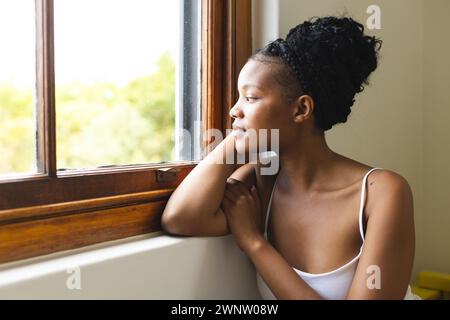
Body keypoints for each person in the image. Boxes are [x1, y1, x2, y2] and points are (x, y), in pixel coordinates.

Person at [161, 16, 418, 300]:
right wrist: (233, 144)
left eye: (251, 98)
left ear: (301, 109)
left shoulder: (382, 193)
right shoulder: (263, 179)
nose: (234, 110)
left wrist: (255, 243)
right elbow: (181, 218)